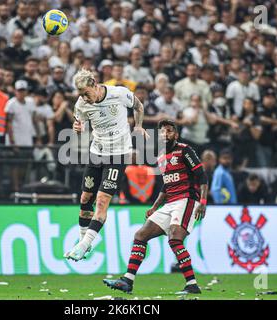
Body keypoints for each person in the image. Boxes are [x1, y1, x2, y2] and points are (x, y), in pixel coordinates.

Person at [104, 119, 208, 295]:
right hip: (170, 202)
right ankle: (127, 280)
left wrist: (203, 203)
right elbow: (166, 186)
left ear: (176, 134)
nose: (165, 134)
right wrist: (154, 207)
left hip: (186, 200)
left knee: (175, 238)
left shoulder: (185, 150)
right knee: (140, 235)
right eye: (162, 131)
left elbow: (202, 176)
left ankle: (192, 284)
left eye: (169, 131)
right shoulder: (160, 157)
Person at [64, 69, 148, 261]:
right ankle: (82, 242)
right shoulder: (81, 104)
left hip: (118, 155)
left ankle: (83, 246)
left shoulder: (118, 93)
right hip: (96, 153)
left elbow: (138, 105)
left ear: (94, 84)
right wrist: (77, 129)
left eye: (86, 93)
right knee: (86, 198)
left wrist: (138, 126)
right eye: (80, 95)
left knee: (101, 201)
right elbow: (79, 127)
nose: (84, 98)